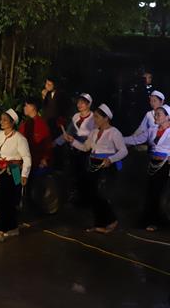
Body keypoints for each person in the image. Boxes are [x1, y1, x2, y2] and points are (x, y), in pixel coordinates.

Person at [62, 104, 127, 233]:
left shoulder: (114, 132)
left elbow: (123, 151)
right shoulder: (94, 132)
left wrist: (111, 159)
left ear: (106, 118)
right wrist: (72, 141)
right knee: (92, 194)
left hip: (105, 166)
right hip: (93, 165)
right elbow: (85, 147)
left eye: (97, 117)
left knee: (100, 194)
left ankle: (112, 220)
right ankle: (99, 223)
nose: (94, 120)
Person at [0, 108, 32, 242]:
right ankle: (6, 228)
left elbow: (27, 158)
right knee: (1, 199)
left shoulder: (20, 139)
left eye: (5, 120)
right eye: (1, 119)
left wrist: (24, 175)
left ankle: (5, 229)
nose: (1, 122)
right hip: (1, 170)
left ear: (12, 122)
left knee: (12, 199)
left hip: (15, 171)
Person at [124, 104, 170, 232]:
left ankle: (154, 221)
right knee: (150, 192)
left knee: (157, 193)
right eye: (155, 114)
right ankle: (148, 219)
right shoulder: (152, 130)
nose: (155, 117)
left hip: (165, 166)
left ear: (167, 117)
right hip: (152, 164)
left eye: (159, 114)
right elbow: (136, 139)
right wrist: (119, 138)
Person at [55, 93, 95, 204]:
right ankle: (74, 196)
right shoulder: (76, 116)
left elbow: (91, 139)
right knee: (73, 173)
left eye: (83, 103)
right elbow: (68, 132)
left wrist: (76, 140)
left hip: (86, 151)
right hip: (73, 149)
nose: (79, 105)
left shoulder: (93, 119)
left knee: (83, 174)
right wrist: (56, 142)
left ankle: (85, 199)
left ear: (89, 104)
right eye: (78, 102)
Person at [19, 98, 52, 170]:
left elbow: (47, 143)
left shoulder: (41, 124)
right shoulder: (24, 124)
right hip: (22, 161)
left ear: (33, 107)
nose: (24, 108)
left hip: (35, 163)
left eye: (26, 105)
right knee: (15, 174)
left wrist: (45, 158)